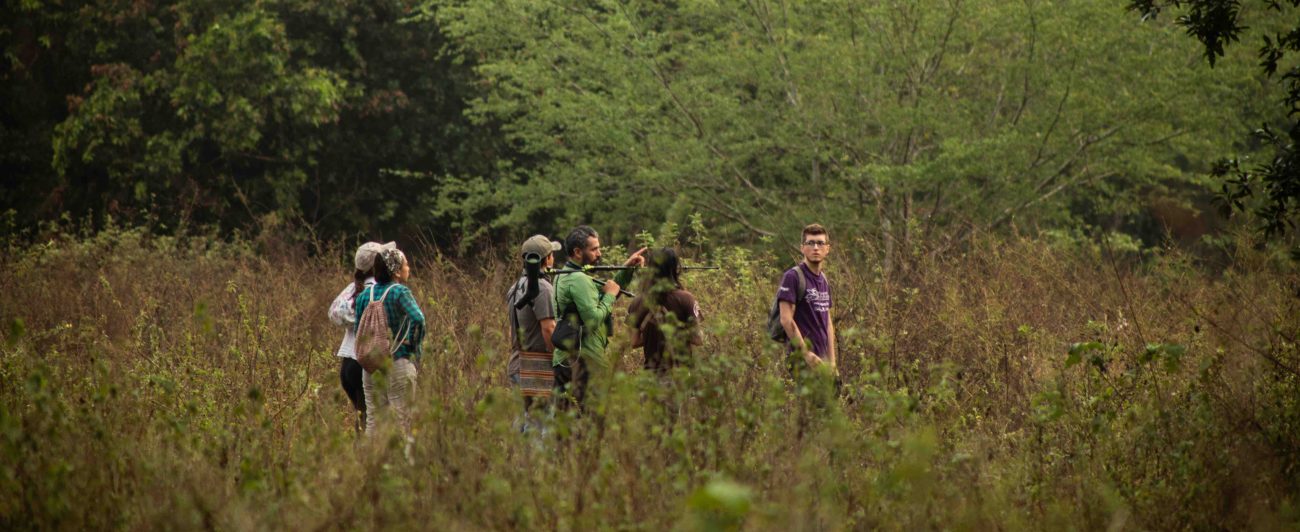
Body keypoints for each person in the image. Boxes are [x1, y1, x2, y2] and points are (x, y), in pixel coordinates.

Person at [551, 225, 646, 411]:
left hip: (568, 360)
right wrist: (610, 295)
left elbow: (601, 302)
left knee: (569, 422)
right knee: (589, 420)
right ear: (578, 252)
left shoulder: (567, 274)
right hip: (584, 361)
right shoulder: (579, 279)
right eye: (594, 249)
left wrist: (626, 269)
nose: (599, 253)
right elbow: (594, 320)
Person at [354, 244, 425, 435]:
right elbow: (418, 318)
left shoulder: (363, 296)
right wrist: (413, 346)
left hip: (371, 366)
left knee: (373, 420)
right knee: (402, 419)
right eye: (406, 265)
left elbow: (358, 330)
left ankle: (371, 461)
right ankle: (402, 463)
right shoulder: (399, 292)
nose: (408, 268)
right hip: (397, 361)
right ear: (396, 271)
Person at [506, 234, 561, 426]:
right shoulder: (543, 288)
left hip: (516, 364)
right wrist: (560, 361)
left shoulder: (515, 287)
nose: (554, 258)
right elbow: (549, 329)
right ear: (546, 259)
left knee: (523, 424)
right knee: (540, 427)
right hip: (535, 368)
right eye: (552, 254)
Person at [328, 241, 383, 432]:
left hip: (348, 364)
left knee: (363, 416)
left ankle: (360, 456)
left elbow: (334, 312)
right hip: (366, 363)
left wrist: (356, 317)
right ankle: (367, 458)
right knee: (373, 420)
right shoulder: (381, 289)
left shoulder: (353, 288)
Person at [627, 248, 703, 376]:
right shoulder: (686, 299)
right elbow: (698, 339)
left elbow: (634, 342)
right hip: (680, 377)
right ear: (674, 268)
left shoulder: (637, 302)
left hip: (651, 378)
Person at [776, 224, 836, 378]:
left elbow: (827, 322)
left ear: (827, 249)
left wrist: (832, 363)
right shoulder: (793, 277)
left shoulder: (824, 279)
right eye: (810, 243)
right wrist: (806, 354)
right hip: (801, 362)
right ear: (802, 248)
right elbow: (785, 319)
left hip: (822, 362)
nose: (816, 247)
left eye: (820, 243)